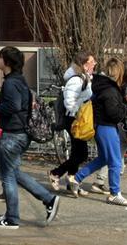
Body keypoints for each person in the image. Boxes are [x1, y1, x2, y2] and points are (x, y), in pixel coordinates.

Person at [0, 46, 60, 229]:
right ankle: (49, 199)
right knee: (14, 173)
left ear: (8, 62)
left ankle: (12, 218)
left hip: (12, 135)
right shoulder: (19, 80)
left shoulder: (11, 83)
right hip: (21, 134)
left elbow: (13, 106)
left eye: (1, 58)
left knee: (7, 177)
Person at [69, 58, 127, 206]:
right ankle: (115, 194)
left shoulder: (103, 86)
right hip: (107, 128)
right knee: (115, 162)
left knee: (104, 159)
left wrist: (124, 102)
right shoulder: (110, 90)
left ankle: (76, 179)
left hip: (101, 127)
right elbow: (114, 113)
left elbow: (111, 107)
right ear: (119, 72)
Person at [48, 51, 95, 192]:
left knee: (77, 152)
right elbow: (70, 102)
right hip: (74, 119)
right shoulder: (76, 80)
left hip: (77, 117)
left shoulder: (84, 77)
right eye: (92, 62)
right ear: (85, 65)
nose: (95, 64)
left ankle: (72, 181)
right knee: (82, 153)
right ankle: (56, 173)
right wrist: (80, 110)